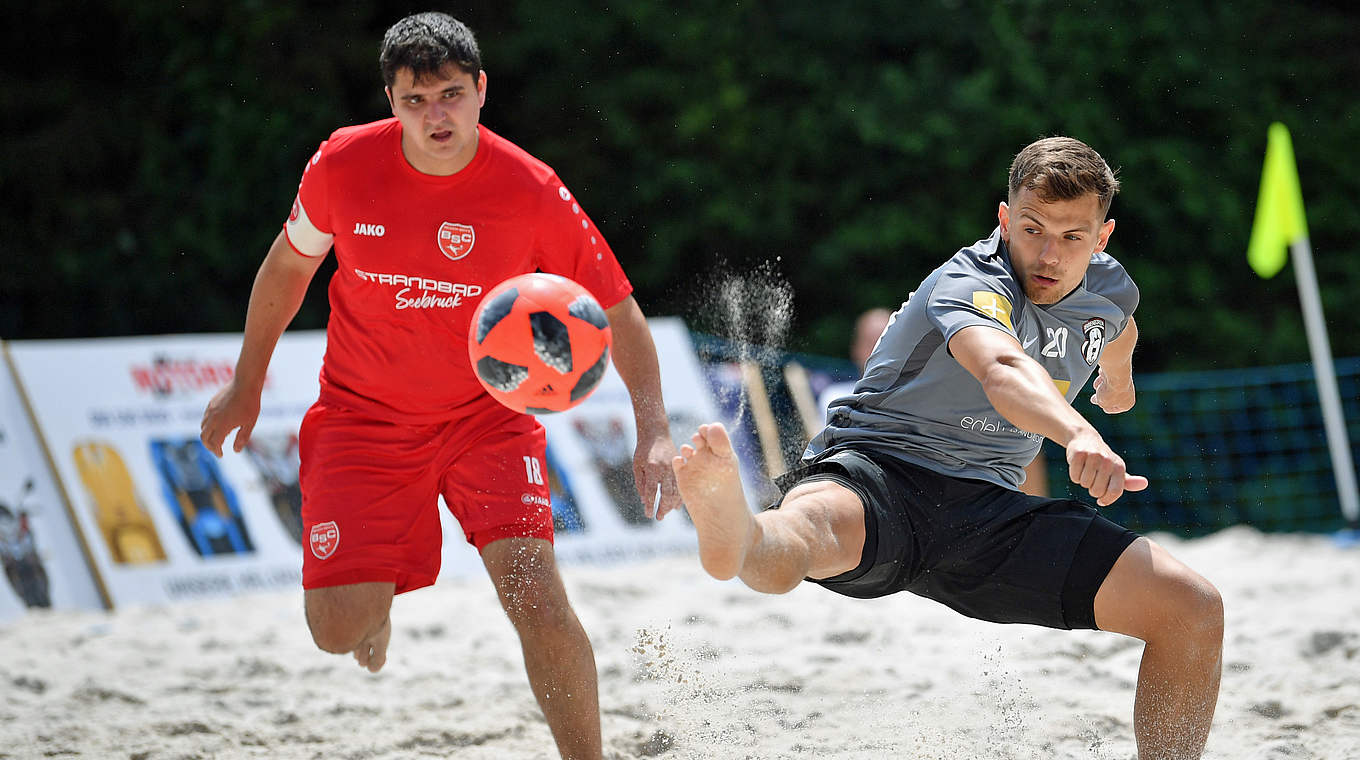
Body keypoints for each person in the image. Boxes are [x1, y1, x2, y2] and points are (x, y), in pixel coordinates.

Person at [200, 13, 681, 760]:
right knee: (337, 630)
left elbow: (616, 309)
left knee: (536, 599)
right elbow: (289, 266)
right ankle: (378, 596)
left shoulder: (530, 188)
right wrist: (245, 382)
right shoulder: (341, 165)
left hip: (488, 419)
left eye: (451, 94)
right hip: (363, 418)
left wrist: (653, 428)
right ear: (390, 101)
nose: (437, 116)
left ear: (481, 89)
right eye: (416, 101)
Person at [673, 137, 1223, 759]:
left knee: (1192, 608)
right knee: (799, 538)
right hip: (881, 471)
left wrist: (1117, 379)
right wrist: (1078, 431)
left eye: (1072, 237)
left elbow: (1118, 323)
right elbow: (1002, 371)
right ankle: (738, 533)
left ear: (1103, 237)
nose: (1049, 255)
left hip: (989, 510)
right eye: (1032, 229)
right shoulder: (970, 280)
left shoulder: (1111, 289)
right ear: (1004, 218)